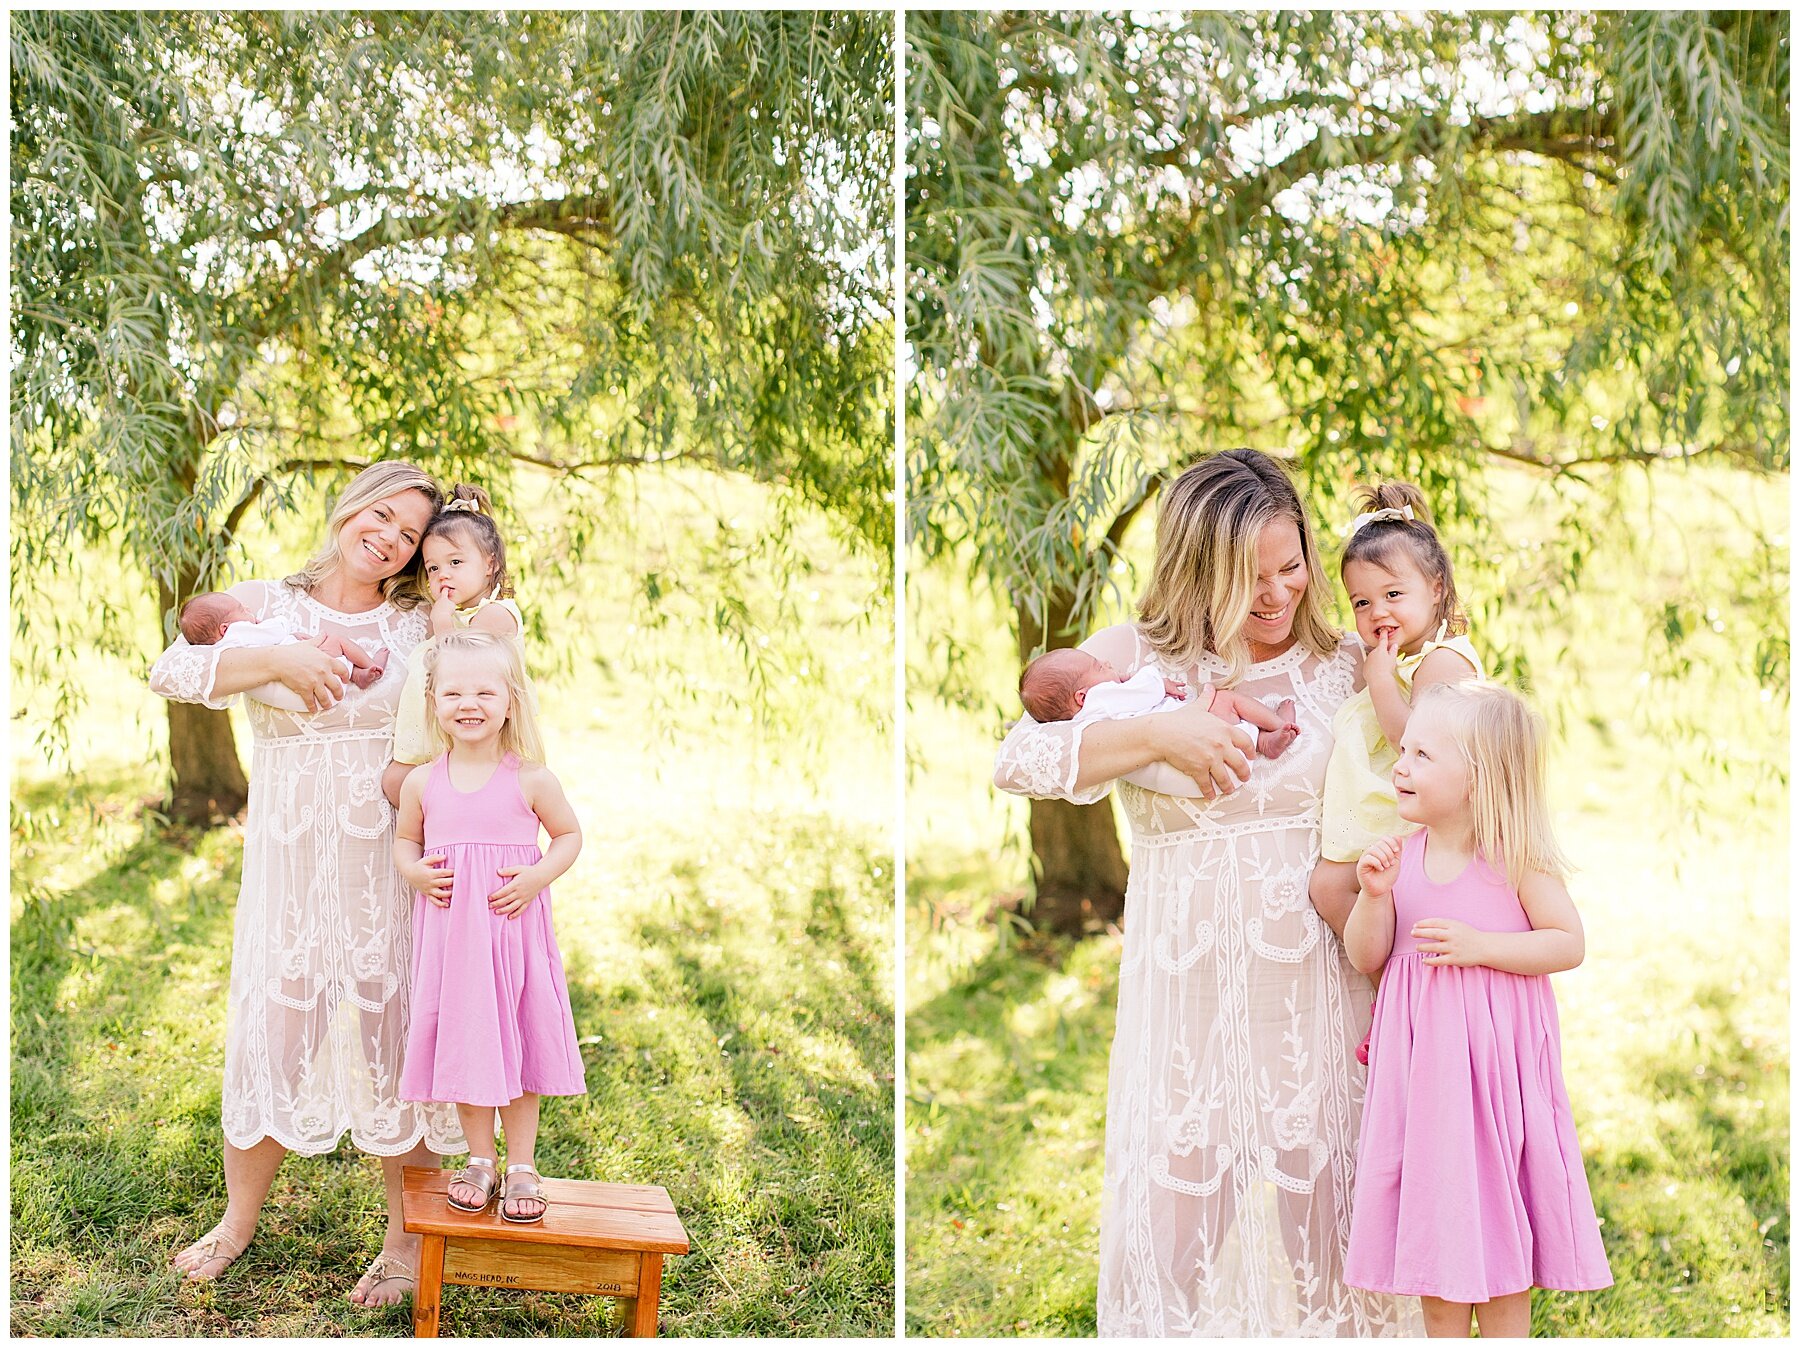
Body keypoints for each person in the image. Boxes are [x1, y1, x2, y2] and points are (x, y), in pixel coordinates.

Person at [993, 449, 1416, 1335]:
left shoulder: (1346, 664)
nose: (1277, 594)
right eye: (1246, 576)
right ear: (1196, 570)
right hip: (1188, 1018)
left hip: (1324, 1010)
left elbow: (1453, 726)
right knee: (1174, 1264)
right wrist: (1163, 730)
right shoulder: (1138, 660)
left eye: (1291, 566)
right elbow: (1018, 759)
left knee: (1336, 1268)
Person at [150, 461, 463, 1309]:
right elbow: (173, 671)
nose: (389, 537)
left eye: (409, 534)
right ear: (350, 505)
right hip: (290, 859)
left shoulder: (414, 625)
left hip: (391, 859)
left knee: (400, 1039)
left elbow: (481, 685)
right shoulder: (268, 604)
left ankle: (405, 1243)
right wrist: (281, 656)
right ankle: (237, 1221)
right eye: (383, 514)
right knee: (274, 1030)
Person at [1342, 681, 1612, 1335]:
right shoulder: (1398, 859)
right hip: (1427, 1088)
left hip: (1496, 1087)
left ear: (1477, 779)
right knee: (1438, 1223)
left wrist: (1484, 946)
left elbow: (1567, 942)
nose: (1401, 765)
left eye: (1423, 756)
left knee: (1498, 1224)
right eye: (1402, 751)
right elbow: (1365, 955)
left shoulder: (1514, 860)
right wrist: (1373, 897)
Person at [395, 631, 586, 1223]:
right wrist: (415, 874)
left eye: (484, 690)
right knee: (467, 1042)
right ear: (432, 701)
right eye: (453, 691)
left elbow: (569, 836)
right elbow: (405, 841)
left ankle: (522, 1164)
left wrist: (535, 880)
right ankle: (481, 1158)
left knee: (518, 1042)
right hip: (455, 946)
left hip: (512, 938)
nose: (468, 703)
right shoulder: (423, 781)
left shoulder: (530, 778)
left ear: (511, 700)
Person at [1308, 482, 1482, 945]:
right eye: (1361, 602)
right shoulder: (1398, 658)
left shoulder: (1443, 661)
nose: (1377, 611)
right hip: (1384, 812)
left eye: (1393, 594)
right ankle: (1386, 982)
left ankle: (1393, 980)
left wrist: (1381, 680)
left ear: (1436, 587)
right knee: (1329, 886)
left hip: (1416, 816)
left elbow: (1413, 745)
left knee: (1334, 886)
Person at [380, 484, 526, 808]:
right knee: (394, 783)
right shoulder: (453, 614)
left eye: (455, 562)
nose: (443, 574)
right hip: (439, 734)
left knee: (412, 787)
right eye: (433, 568)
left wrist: (442, 621)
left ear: (489, 565)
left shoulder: (495, 615)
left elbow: (458, 667)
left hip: (475, 735)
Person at [1018, 646, 1301, 781]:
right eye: (1097, 667)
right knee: (1226, 699)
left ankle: (1261, 741)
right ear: (1081, 696)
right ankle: (1274, 727)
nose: (1106, 661)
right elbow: (1147, 690)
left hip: (1172, 768)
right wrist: (1157, 681)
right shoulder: (1099, 699)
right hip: (1194, 732)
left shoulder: (1082, 719)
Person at [177, 590, 389, 709]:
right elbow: (277, 632)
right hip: (312, 677)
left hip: (296, 695)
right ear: (225, 628)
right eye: (241, 610)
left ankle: (355, 673)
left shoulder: (223, 649)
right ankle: (367, 666)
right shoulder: (240, 633)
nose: (248, 610)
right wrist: (283, 625)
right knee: (337, 641)